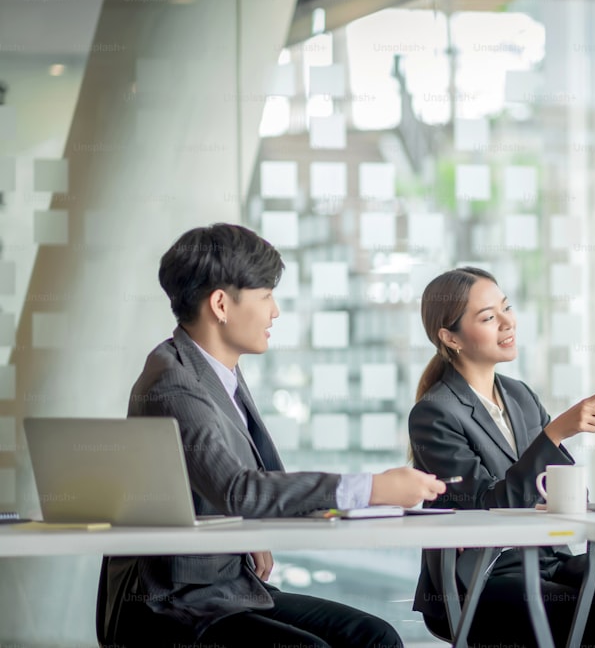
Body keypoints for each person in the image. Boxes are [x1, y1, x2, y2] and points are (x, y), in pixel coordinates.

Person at [100, 223, 446, 648]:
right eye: (265, 296)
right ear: (221, 304)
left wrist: (254, 532)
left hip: (227, 588)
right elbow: (239, 489)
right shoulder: (174, 384)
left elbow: (233, 481)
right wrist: (373, 488)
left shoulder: (214, 369)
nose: (275, 311)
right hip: (176, 602)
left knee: (374, 637)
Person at [408, 266, 595, 648]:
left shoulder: (519, 395)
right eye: (489, 318)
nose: (508, 323)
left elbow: (561, 493)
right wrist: (555, 433)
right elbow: (486, 507)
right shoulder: (435, 413)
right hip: (484, 575)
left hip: (547, 559)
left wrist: (559, 481)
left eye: (507, 308)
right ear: (449, 337)